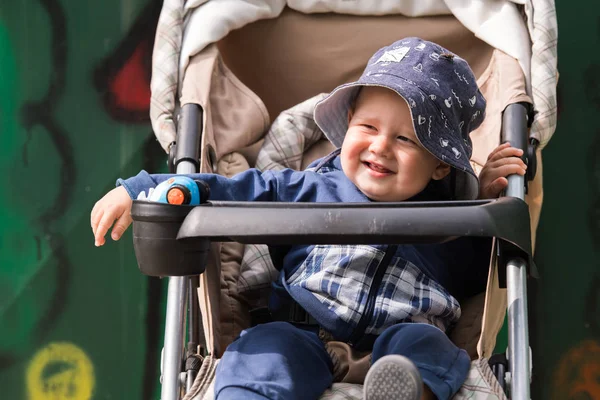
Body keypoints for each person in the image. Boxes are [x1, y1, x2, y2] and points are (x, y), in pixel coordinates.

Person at [91, 37, 526, 400]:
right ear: (348, 123)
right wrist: (150, 188)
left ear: (440, 165)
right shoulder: (310, 186)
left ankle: (409, 393)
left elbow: (475, 278)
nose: (380, 147)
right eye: (368, 128)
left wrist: (483, 206)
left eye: (406, 140)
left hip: (401, 338)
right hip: (305, 330)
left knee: (431, 349)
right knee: (260, 354)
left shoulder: (449, 214)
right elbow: (238, 189)